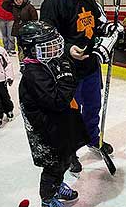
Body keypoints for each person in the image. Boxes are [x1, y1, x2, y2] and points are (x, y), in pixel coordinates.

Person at [40, 0, 121, 175]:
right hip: (66, 71)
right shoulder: (53, 1)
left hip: (89, 65)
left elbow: (95, 24)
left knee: (93, 105)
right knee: (70, 113)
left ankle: (93, 139)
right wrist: (67, 49)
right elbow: (46, 36)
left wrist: (109, 30)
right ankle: (70, 151)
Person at [18, 21, 89, 207]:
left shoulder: (46, 62)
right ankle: (48, 197)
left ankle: (57, 186)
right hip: (46, 131)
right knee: (53, 165)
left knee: (64, 159)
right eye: (46, 46)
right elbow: (56, 101)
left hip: (58, 125)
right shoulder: (33, 73)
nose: (54, 49)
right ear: (31, 49)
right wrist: (66, 79)